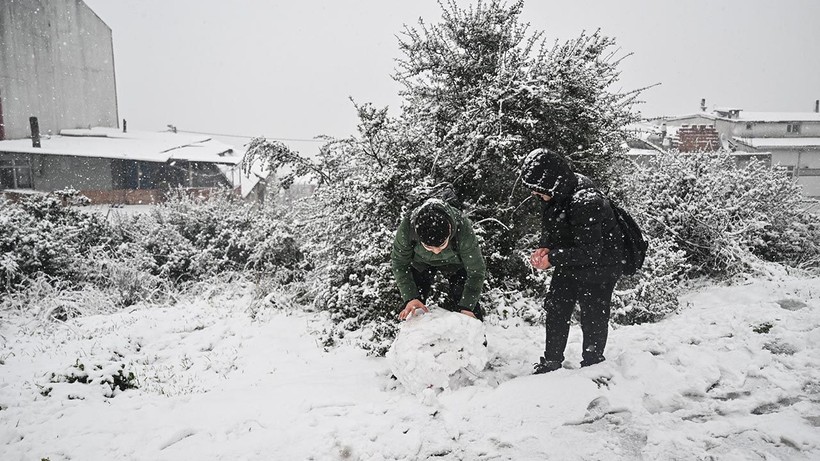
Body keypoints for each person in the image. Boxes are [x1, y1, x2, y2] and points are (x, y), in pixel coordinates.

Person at [521, 148, 624, 373]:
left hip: (603, 262)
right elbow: (553, 224)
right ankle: (551, 361)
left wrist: (553, 259)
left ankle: (593, 364)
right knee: (557, 306)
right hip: (573, 257)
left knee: (593, 313)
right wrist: (545, 246)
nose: (535, 196)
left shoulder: (586, 200)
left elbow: (591, 251)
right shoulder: (554, 192)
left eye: (538, 191)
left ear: (552, 183)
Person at [391, 198, 486, 322]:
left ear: (450, 230)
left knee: (470, 315)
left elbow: (476, 270)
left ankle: (477, 339)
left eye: (442, 245)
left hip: (455, 265)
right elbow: (399, 264)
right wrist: (410, 298)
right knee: (412, 312)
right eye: (429, 247)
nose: (437, 251)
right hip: (421, 265)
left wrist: (467, 306)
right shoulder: (407, 229)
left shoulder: (462, 228)